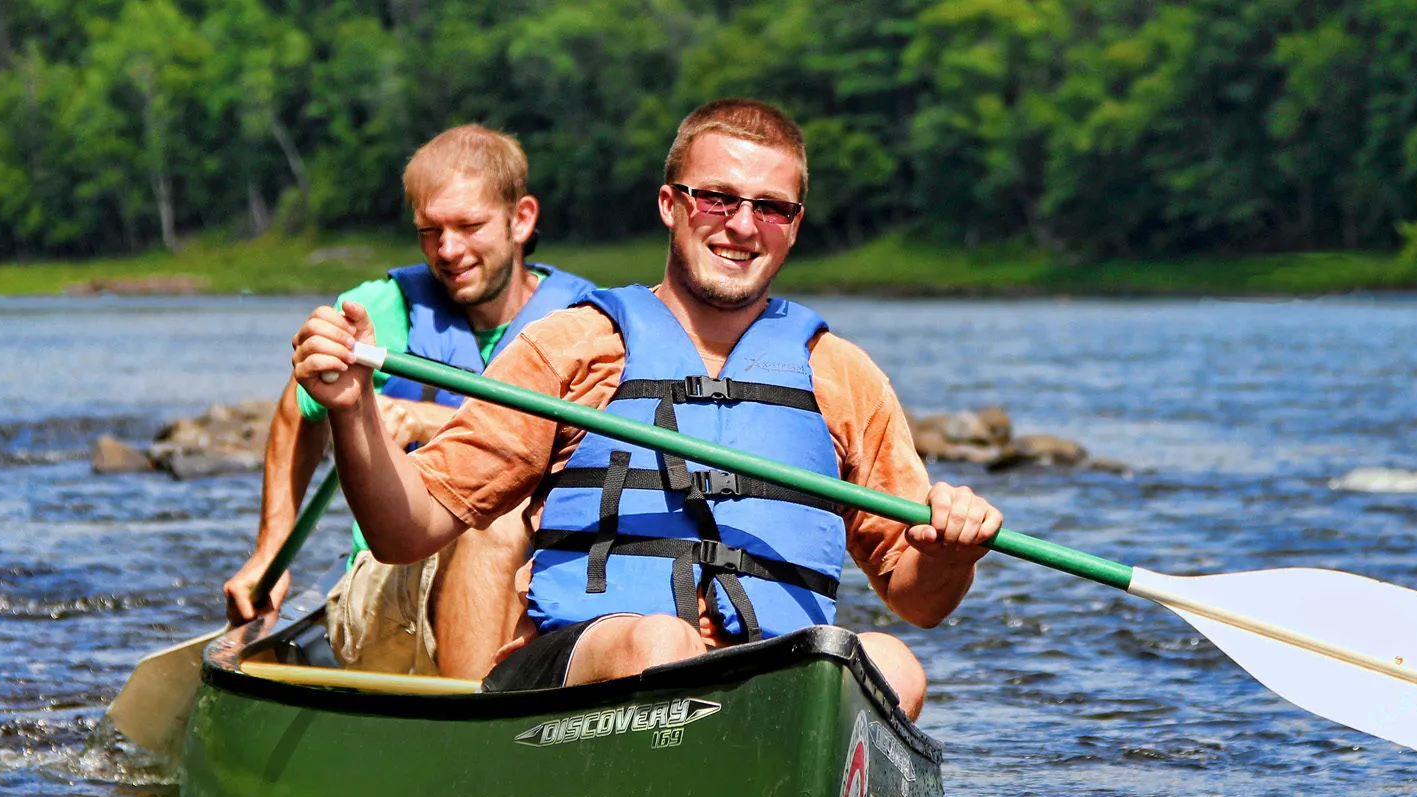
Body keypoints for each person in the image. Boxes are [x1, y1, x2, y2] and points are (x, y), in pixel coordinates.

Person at [290, 99, 1002, 716]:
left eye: (770, 208)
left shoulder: (841, 375)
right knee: (662, 640)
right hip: (580, 678)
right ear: (671, 205)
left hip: (767, 689)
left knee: (890, 663)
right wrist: (352, 411)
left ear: (794, 224)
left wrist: (956, 555)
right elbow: (403, 529)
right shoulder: (572, 347)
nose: (743, 226)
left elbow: (921, 601)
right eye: (717, 197)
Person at [223, 124, 594, 679]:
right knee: (493, 517)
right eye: (430, 231)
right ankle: (472, 735)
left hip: (547, 572)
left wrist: (427, 418)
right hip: (390, 576)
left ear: (522, 220)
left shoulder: (587, 324)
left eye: (469, 226)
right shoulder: (382, 309)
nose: (448, 251)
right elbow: (296, 412)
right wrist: (269, 551)